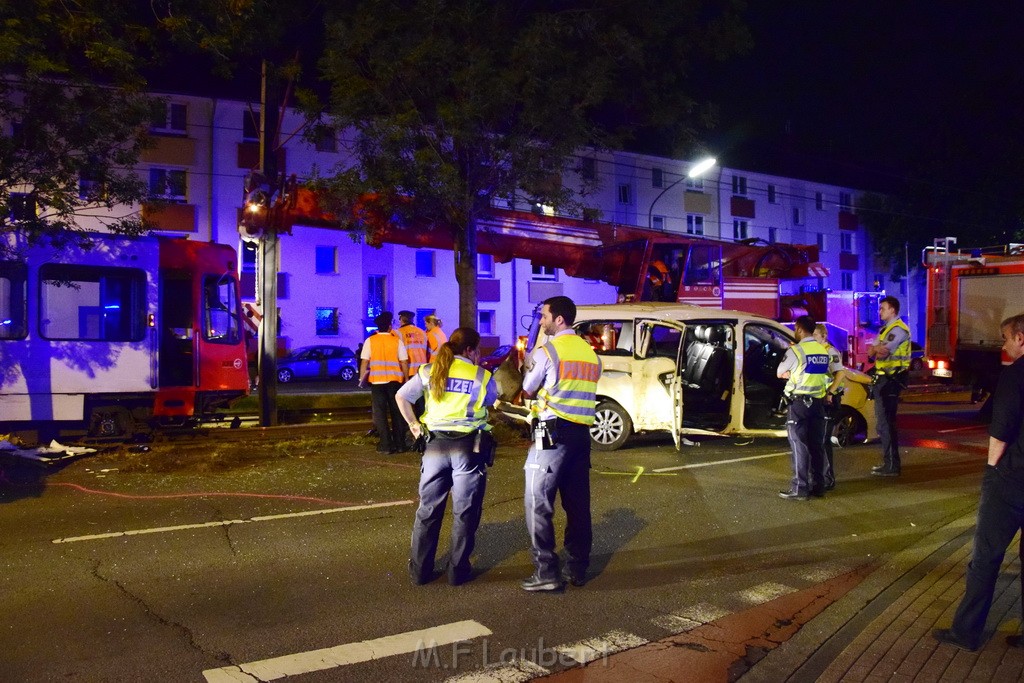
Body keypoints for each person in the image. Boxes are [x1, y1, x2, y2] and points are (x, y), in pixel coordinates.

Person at [933, 313, 1024, 652]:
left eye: (1006, 338)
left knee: (986, 557)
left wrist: (992, 470)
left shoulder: (1016, 376)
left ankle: (967, 631)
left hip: (1012, 479)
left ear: (1021, 338)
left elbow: (1000, 431)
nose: (1003, 344)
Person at [396, 327, 498, 586]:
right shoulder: (481, 376)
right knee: (465, 512)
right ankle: (458, 571)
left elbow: (402, 396)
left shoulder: (430, 370)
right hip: (468, 449)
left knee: (428, 511)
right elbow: (491, 402)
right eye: (477, 350)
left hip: (434, 448)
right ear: (470, 350)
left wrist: (414, 425)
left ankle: (420, 572)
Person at [520, 295, 600, 591]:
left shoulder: (547, 351)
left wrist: (526, 368)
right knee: (578, 505)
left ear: (559, 319)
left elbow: (526, 391)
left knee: (537, 502)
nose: (541, 322)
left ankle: (546, 572)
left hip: (551, 435)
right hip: (581, 437)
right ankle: (577, 568)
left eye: (544, 316)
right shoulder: (591, 354)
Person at [776, 315, 830, 500]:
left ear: (799, 329)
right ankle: (819, 486)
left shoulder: (796, 351)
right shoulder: (823, 351)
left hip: (799, 404)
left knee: (799, 445)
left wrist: (790, 373)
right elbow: (826, 376)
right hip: (818, 404)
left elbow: (779, 372)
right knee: (816, 446)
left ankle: (800, 488)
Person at [868, 296, 911, 476]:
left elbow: (882, 352)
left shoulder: (898, 330)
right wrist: (874, 349)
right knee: (883, 424)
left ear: (892, 310)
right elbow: (871, 351)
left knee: (887, 424)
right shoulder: (885, 330)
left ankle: (892, 465)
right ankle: (889, 463)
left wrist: (875, 349)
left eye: (882, 308)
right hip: (884, 381)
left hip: (891, 381)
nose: (880, 312)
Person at [359, 312, 409, 454]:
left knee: (380, 415)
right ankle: (400, 444)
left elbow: (364, 361)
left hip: (377, 383)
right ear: (389, 327)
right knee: (397, 413)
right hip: (395, 382)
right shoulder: (396, 341)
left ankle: (386, 445)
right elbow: (404, 362)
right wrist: (406, 379)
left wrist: (361, 378)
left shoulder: (370, 341)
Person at [813, 324, 847, 491]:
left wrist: (830, 393)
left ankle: (828, 478)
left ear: (823, 336)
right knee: (817, 438)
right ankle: (819, 476)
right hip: (819, 398)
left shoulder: (830, 352)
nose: (813, 339)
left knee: (824, 439)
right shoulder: (815, 352)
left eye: (815, 336)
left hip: (829, 399)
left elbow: (840, 373)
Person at [397, 311, 429, 417]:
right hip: (422, 370)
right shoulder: (422, 332)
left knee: (406, 400)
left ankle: (411, 426)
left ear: (401, 319)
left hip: (408, 370)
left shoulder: (398, 333)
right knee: (421, 401)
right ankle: (423, 425)